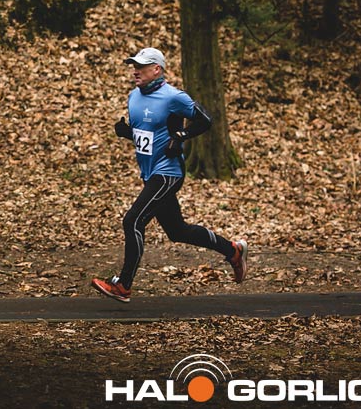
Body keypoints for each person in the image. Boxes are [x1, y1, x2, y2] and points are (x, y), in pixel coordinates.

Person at [90, 47, 248, 302]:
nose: (135, 71)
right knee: (177, 231)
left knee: (132, 221)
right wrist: (127, 132)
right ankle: (232, 251)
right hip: (150, 172)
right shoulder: (133, 97)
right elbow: (149, 135)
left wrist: (181, 136)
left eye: (141, 66)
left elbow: (205, 120)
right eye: (134, 66)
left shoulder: (174, 97)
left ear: (157, 69)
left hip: (168, 172)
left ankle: (123, 285)